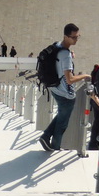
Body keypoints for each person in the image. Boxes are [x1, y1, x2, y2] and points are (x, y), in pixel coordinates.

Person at [38, 23, 91, 152]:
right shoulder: (65, 55)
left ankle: (45, 136)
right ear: (66, 37)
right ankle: (55, 147)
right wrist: (85, 76)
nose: (76, 39)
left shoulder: (57, 45)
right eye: (74, 37)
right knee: (63, 123)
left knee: (61, 115)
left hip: (54, 88)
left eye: (78, 36)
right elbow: (70, 79)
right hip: (65, 94)